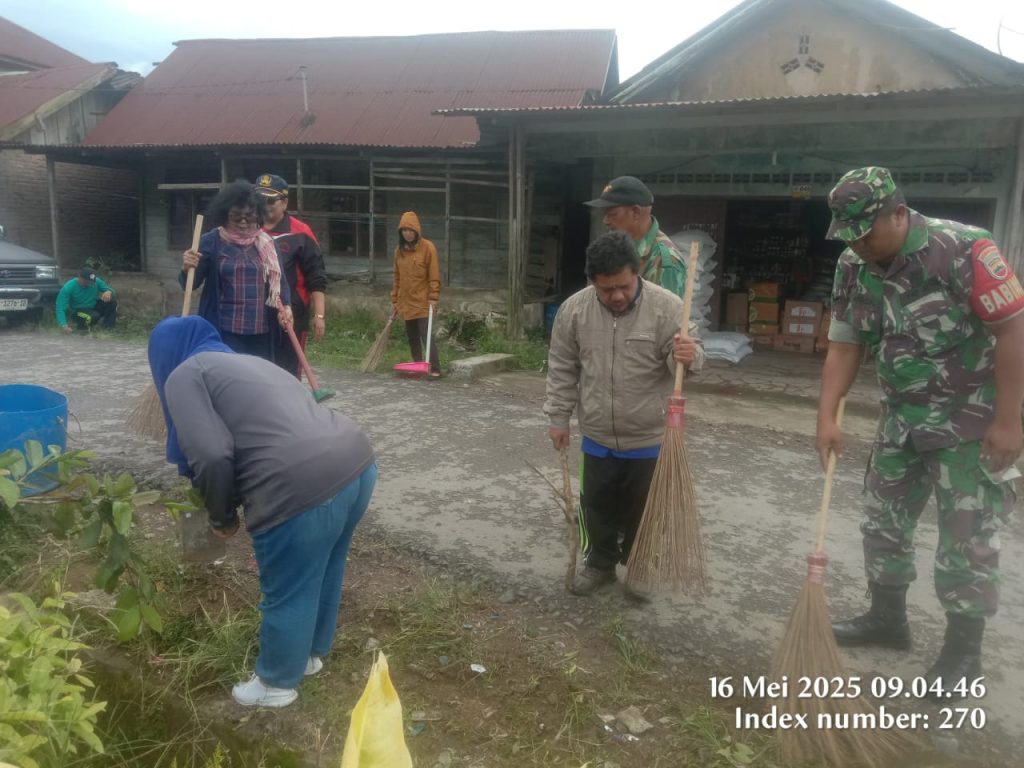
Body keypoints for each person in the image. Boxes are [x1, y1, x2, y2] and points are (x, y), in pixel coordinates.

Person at [817, 167, 1024, 700]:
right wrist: (827, 414)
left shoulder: (964, 249)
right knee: (881, 519)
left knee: (967, 539)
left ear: (899, 213)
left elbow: (1012, 329)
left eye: (867, 232)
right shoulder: (852, 264)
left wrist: (1008, 421)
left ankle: (963, 657)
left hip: (970, 422)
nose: (859, 244)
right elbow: (846, 342)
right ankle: (888, 620)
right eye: (850, 235)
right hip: (900, 417)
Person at [148, 316, 377, 708]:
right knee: (323, 568)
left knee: (286, 588)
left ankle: (276, 683)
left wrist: (222, 518)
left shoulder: (184, 375)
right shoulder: (250, 363)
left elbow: (212, 455)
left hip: (299, 486)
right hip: (357, 463)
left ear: (162, 355)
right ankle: (309, 657)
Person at [544, 230, 703, 598]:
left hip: (648, 435)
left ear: (637, 273)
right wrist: (558, 418)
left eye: (623, 286)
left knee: (643, 510)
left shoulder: (667, 308)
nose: (616, 296)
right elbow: (562, 368)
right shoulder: (574, 311)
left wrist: (688, 355)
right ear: (593, 283)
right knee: (595, 506)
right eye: (606, 289)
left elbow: (693, 363)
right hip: (597, 434)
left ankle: (640, 566)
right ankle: (599, 565)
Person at [180, 180, 292, 361]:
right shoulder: (211, 241)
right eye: (236, 216)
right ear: (225, 215)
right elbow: (190, 284)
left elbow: (280, 281)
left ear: (259, 216)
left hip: (261, 330)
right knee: (229, 381)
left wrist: (286, 306)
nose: (243, 222)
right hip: (225, 331)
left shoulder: (267, 244)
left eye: (250, 216)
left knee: (258, 382)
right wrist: (187, 268)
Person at [255, 173, 328, 378]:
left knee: (288, 373)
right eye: (260, 199)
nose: (265, 205)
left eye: (271, 200)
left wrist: (319, 315)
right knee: (259, 371)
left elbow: (317, 277)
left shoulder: (300, 233)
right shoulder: (248, 229)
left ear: (285, 202)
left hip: (291, 315)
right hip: (255, 315)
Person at [584, 176, 688, 298]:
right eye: (605, 214)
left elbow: (666, 314)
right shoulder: (619, 250)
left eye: (612, 214)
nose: (605, 221)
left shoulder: (665, 261)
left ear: (636, 212)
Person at [391, 211, 442, 377]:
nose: (407, 233)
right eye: (404, 230)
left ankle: (435, 369)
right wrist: (395, 300)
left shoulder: (428, 248)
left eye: (410, 230)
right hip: (406, 301)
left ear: (417, 230)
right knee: (412, 337)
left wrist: (433, 298)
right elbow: (396, 277)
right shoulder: (399, 251)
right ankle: (418, 366)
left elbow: (434, 275)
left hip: (422, 301)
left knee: (425, 335)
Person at [56, 267, 117, 332]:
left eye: (91, 281)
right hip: (78, 310)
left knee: (112, 303)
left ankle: (108, 329)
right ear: (80, 277)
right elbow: (60, 307)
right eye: (87, 281)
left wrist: (109, 292)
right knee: (94, 316)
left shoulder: (96, 281)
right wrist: (63, 325)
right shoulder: (68, 287)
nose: (89, 283)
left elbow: (112, 291)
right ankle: (82, 328)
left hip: (93, 306)